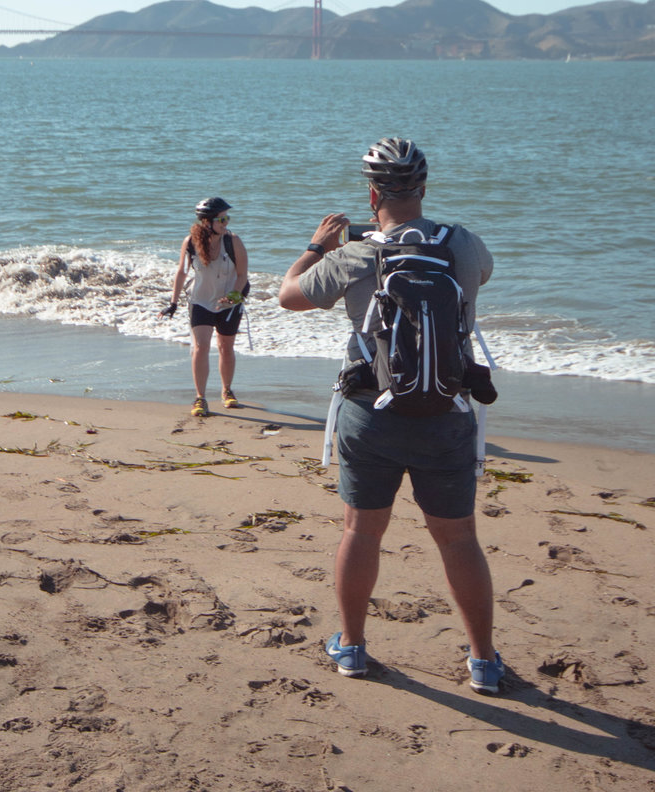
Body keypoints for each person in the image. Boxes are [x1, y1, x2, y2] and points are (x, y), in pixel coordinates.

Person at [278, 137, 505, 693]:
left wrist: (316, 246)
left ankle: (352, 648)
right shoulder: (465, 245)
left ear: (372, 192)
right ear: (423, 190)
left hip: (370, 411)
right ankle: (482, 662)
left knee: (362, 531)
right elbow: (483, 280)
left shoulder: (356, 256)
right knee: (458, 540)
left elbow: (287, 296)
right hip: (449, 411)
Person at [162, 196, 249, 418]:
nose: (226, 222)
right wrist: (173, 303)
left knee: (225, 347)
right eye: (222, 219)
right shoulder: (190, 242)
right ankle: (200, 397)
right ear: (207, 221)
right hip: (200, 300)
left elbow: (242, 275)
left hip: (229, 301)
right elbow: (181, 272)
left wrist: (233, 297)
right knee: (201, 346)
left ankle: (227, 391)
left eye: (227, 218)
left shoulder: (233, 241)